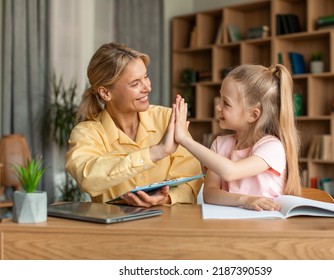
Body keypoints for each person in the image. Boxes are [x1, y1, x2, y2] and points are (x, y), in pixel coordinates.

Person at [65, 42, 203, 207]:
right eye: (135, 83)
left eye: (146, 76)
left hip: (167, 225)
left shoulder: (168, 119)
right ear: (105, 92)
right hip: (114, 229)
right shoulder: (86, 133)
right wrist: (155, 152)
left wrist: (165, 198)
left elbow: (191, 182)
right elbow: (88, 178)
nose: (147, 87)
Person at [174, 64, 301, 211]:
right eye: (220, 99)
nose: (217, 107)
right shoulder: (220, 145)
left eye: (226, 103)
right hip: (232, 223)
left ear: (252, 115)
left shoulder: (272, 147)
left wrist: (185, 140)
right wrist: (244, 200)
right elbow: (210, 194)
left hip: (267, 224)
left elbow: (231, 172)